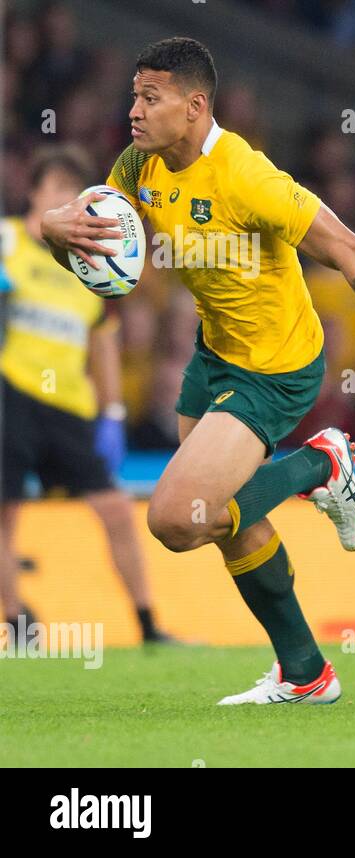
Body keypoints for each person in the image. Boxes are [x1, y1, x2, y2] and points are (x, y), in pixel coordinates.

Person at [40, 37, 355, 704]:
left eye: (150, 97)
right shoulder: (139, 164)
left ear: (195, 107)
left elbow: (351, 248)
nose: (133, 110)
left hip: (277, 370)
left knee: (177, 519)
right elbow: (103, 261)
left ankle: (321, 465)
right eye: (134, 95)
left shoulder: (248, 178)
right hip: (213, 356)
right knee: (231, 524)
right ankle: (307, 672)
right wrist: (56, 232)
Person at [0, 146, 175, 644]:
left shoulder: (86, 264)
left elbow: (103, 340)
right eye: (53, 187)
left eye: (70, 192)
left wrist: (112, 415)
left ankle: (148, 626)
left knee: (116, 509)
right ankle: (16, 623)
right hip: (10, 395)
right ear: (34, 194)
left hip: (69, 407)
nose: (62, 198)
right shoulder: (6, 242)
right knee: (5, 517)